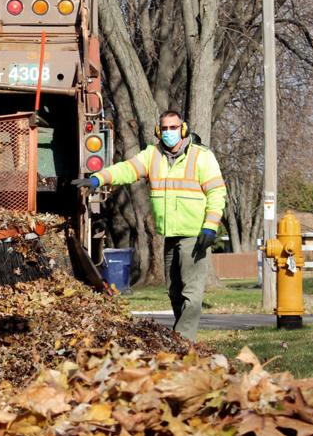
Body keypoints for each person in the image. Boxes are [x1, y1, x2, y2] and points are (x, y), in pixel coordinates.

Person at [73, 110, 227, 340]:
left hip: (195, 234)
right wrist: (98, 178)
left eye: (173, 128)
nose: (169, 132)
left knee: (192, 292)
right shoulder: (152, 156)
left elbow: (216, 192)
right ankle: (183, 339)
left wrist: (210, 227)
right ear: (158, 131)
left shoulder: (201, 156)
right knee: (174, 291)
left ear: (183, 129)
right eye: (164, 128)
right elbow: (126, 169)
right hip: (170, 234)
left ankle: (183, 340)